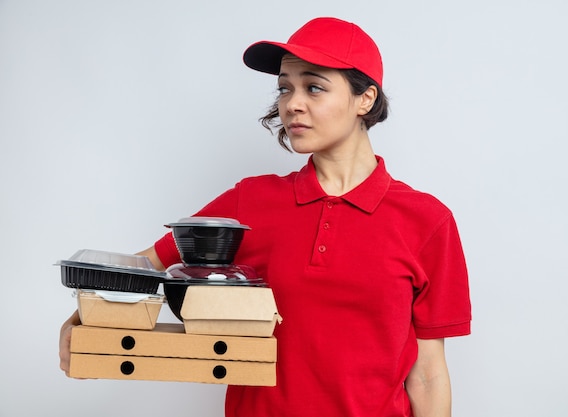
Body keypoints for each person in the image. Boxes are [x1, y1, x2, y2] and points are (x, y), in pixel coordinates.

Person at [59, 16, 471, 417]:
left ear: (365, 99)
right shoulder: (251, 202)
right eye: (284, 88)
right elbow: (145, 266)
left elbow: (429, 374)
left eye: (314, 88)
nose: (292, 104)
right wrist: (82, 320)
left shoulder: (427, 221)